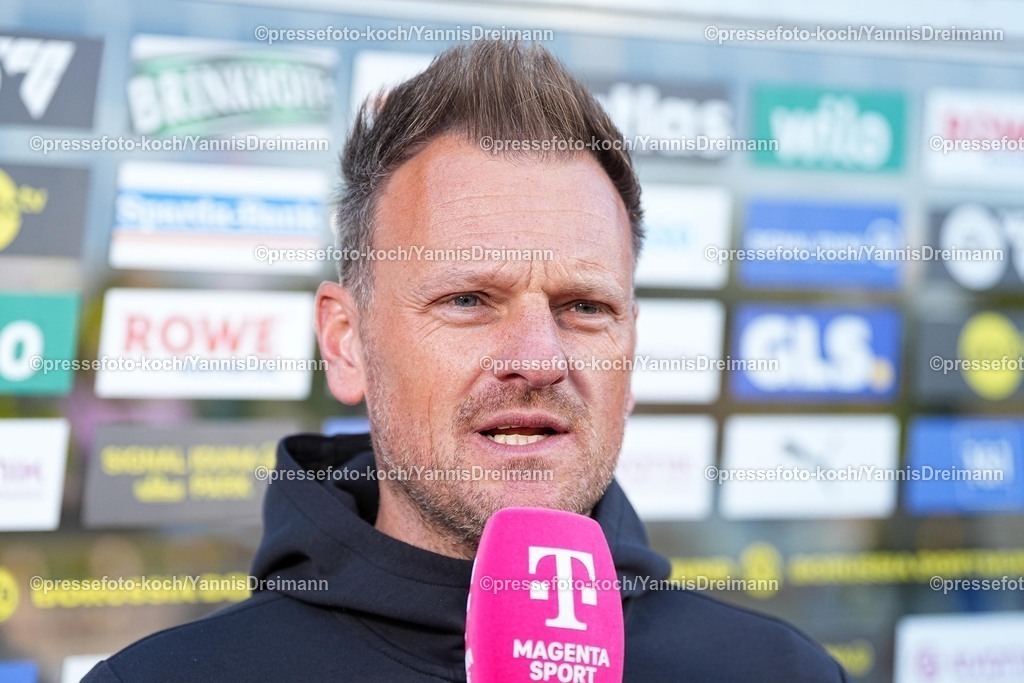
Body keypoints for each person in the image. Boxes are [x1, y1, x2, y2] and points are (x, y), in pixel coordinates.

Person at [85, 40, 849, 682]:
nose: (538, 359)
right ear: (346, 342)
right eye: (469, 300)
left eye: (585, 307)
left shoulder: (780, 670)